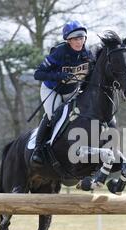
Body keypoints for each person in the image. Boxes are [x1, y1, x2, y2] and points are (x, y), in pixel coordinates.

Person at [31, 20, 94, 166]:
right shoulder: (59, 52)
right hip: (52, 89)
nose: (79, 42)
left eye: (81, 38)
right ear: (68, 40)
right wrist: (59, 76)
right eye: (75, 39)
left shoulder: (87, 54)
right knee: (55, 116)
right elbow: (38, 74)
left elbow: (90, 75)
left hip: (71, 90)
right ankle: (38, 149)